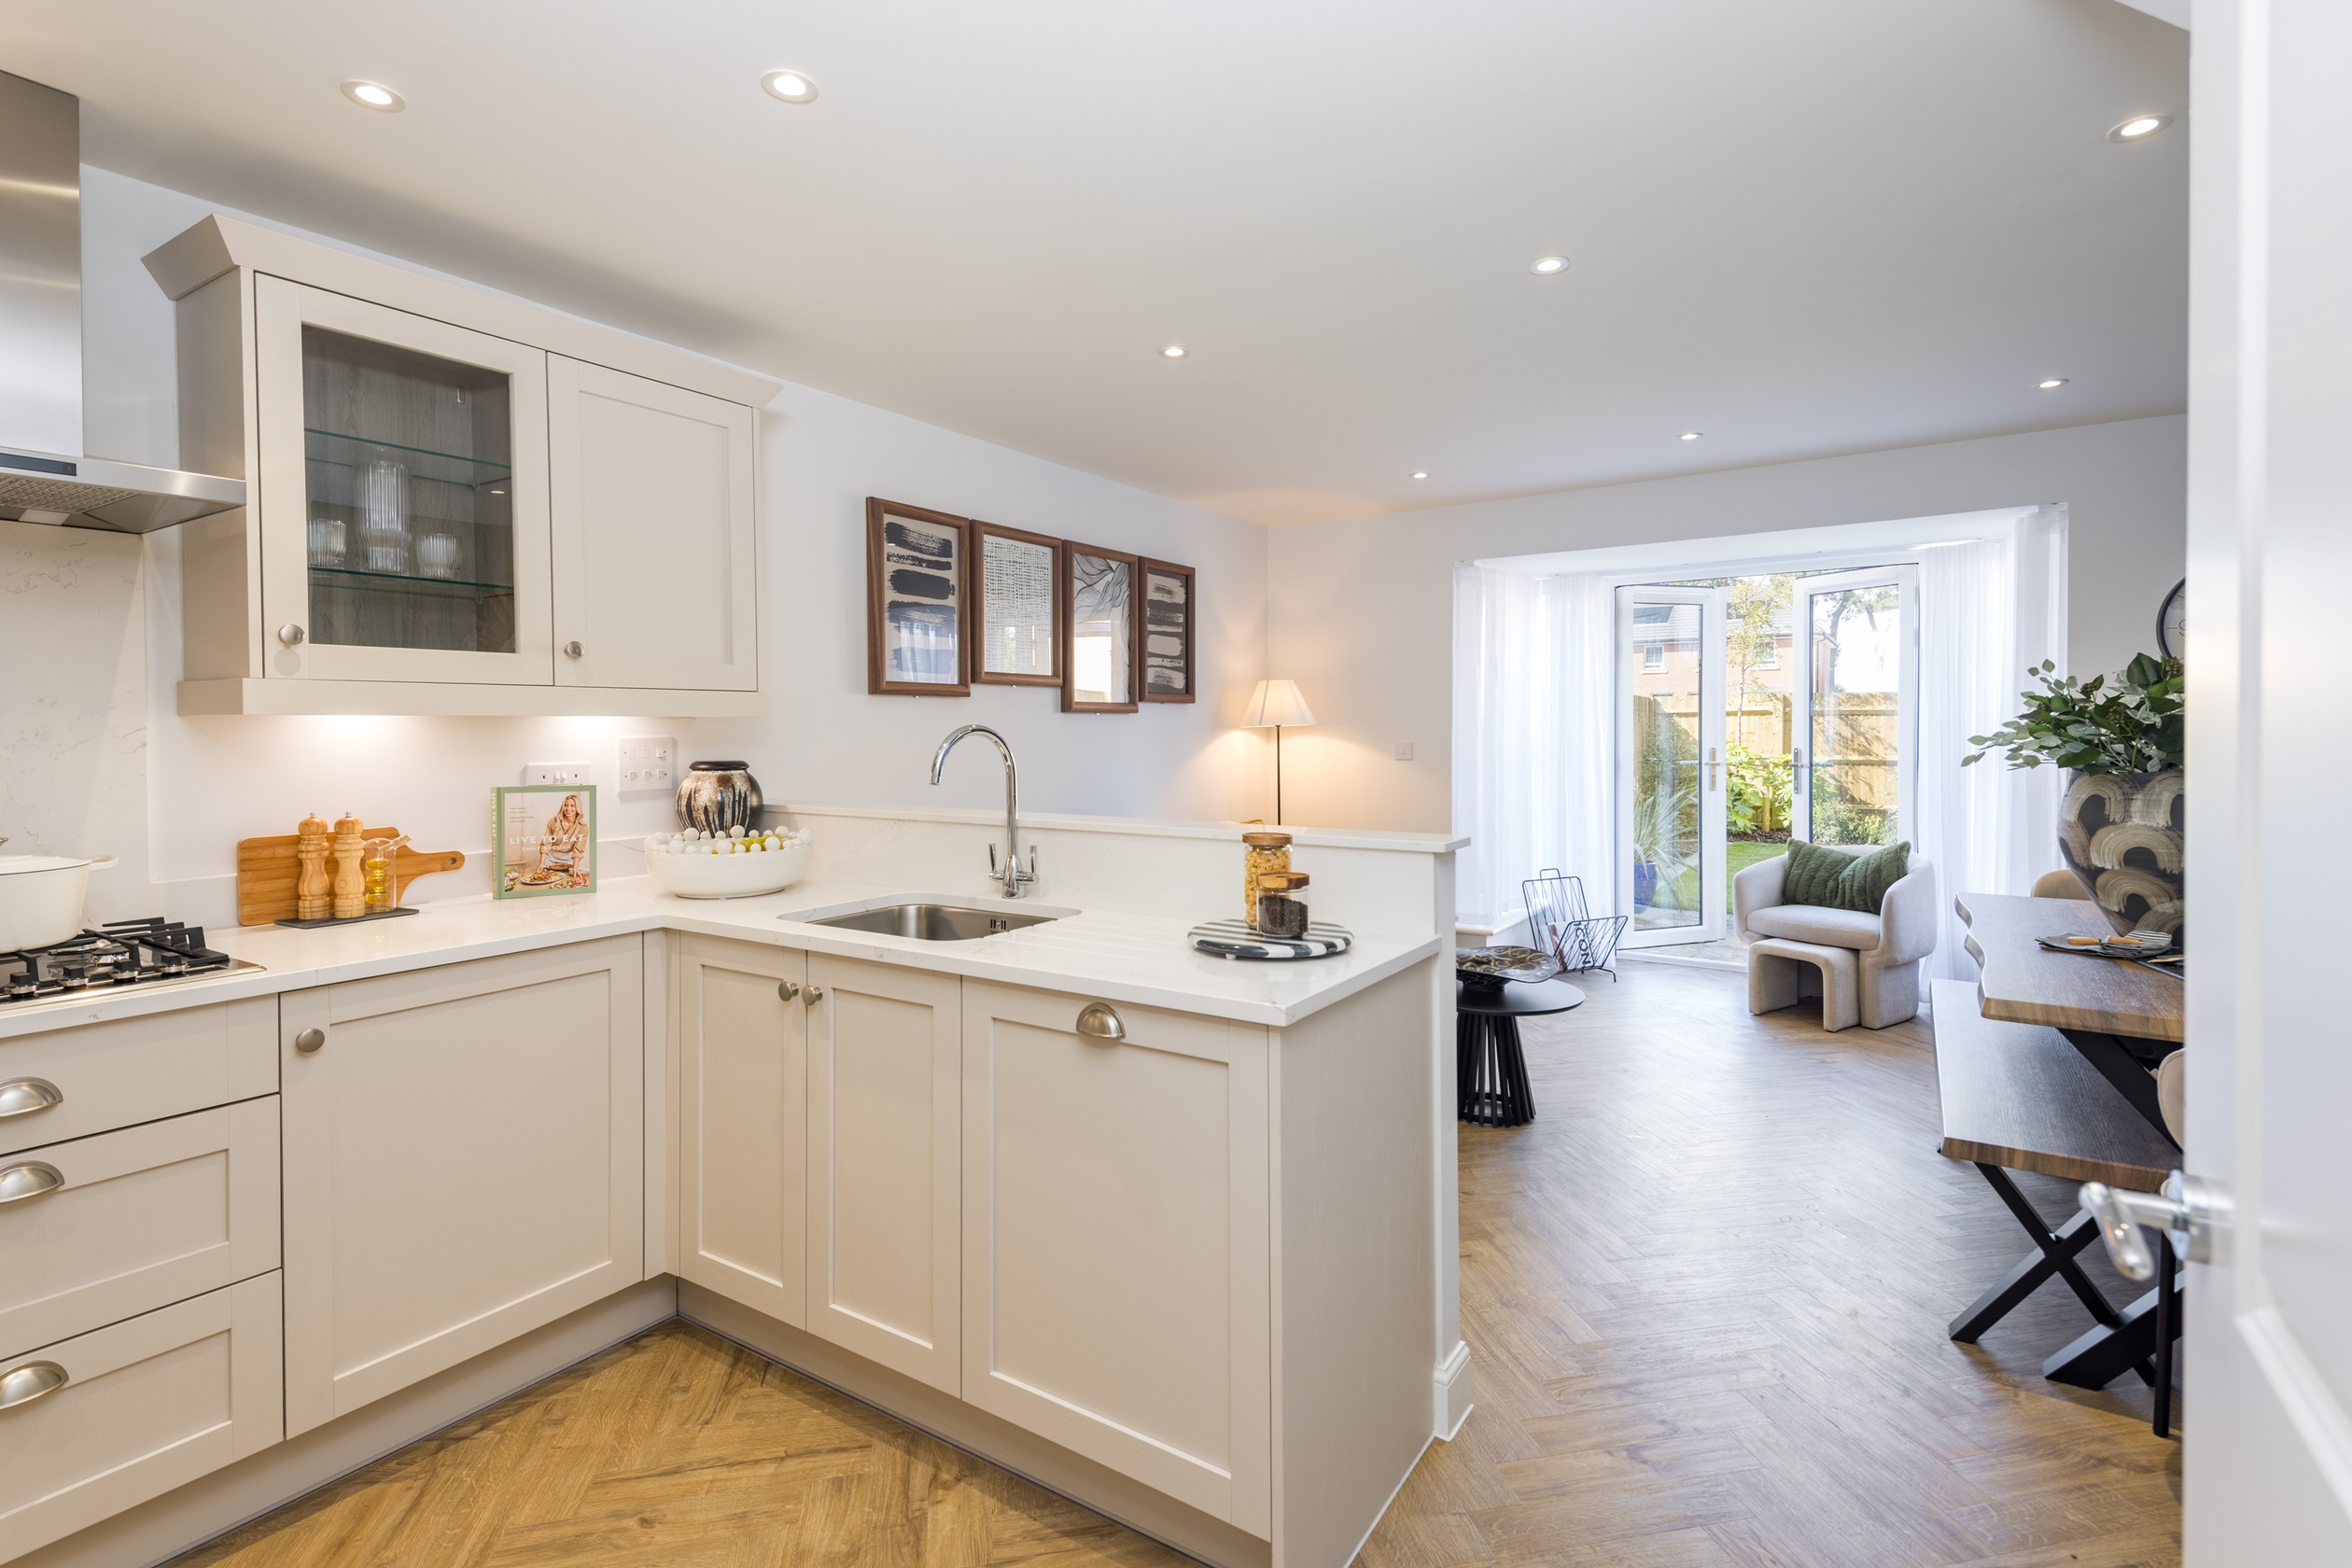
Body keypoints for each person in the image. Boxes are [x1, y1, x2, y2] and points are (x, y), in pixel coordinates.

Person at [538, 793, 589, 886]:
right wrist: (541, 863)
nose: (568, 809)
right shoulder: (553, 821)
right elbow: (546, 843)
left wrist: (575, 867)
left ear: (578, 807)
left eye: (572, 806)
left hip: (569, 859)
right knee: (545, 881)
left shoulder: (583, 827)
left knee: (566, 882)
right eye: (566, 805)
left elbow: (578, 850)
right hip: (550, 858)